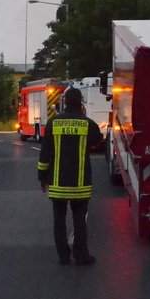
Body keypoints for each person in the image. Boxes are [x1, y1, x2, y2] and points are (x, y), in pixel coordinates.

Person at [37, 86, 104, 265]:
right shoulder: (88, 124)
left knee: (59, 220)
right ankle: (81, 255)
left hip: (58, 183)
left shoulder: (54, 123)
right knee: (79, 220)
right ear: (81, 103)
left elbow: (45, 153)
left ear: (64, 102)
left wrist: (42, 177)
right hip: (80, 183)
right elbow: (98, 141)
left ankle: (63, 256)